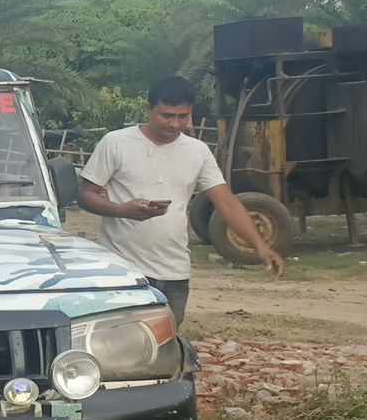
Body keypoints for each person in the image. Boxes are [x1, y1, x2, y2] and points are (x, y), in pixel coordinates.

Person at [78, 76, 284, 324]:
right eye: (166, 115)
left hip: (174, 272)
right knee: (121, 343)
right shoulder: (116, 143)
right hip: (123, 271)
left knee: (167, 345)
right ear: (148, 109)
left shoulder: (197, 151)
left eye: (182, 116)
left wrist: (260, 247)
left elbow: (227, 203)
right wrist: (123, 210)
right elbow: (86, 196)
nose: (175, 124)